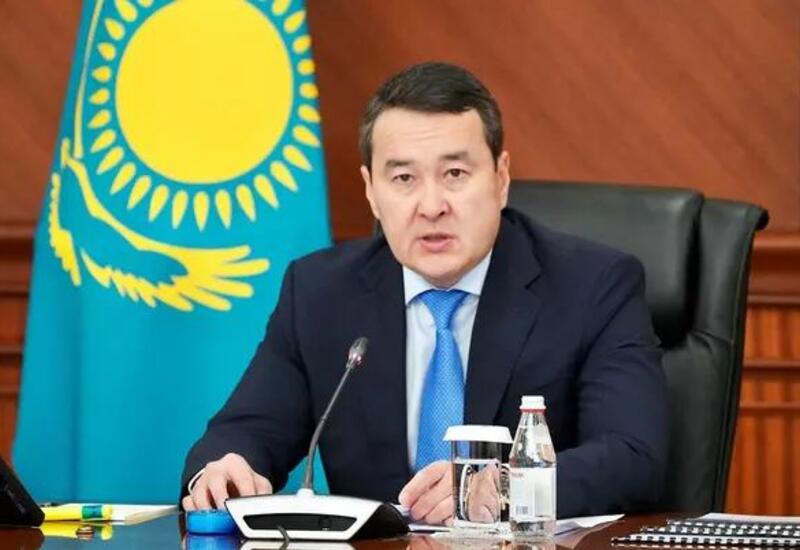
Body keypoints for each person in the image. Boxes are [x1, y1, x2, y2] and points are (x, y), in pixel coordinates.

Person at [181, 62, 668, 522]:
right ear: (371, 191)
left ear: (500, 179)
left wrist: (502, 486)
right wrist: (223, 472)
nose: (431, 206)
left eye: (455, 174)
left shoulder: (593, 286)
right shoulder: (320, 293)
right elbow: (246, 431)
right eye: (403, 178)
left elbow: (633, 456)